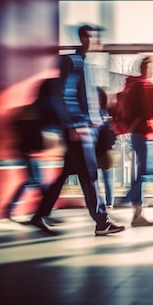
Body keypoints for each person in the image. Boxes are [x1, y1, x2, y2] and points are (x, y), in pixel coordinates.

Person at [28, 24, 125, 236]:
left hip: (86, 129)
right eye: (93, 37)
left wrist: (99, 121)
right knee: (90, 176)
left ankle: (39, 214)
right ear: (83, 38)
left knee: (66, 175)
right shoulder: (71, 61)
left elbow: (84, 99)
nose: (97, 41)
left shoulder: (86, 65)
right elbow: (62, 95)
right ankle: (102, 222)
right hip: (79, 131)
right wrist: (72, 124)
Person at [122, 55, 153, 227]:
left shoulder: (133, 85)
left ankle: (137, 213)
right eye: (152, 67)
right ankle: (131, 202)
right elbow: (150, 111)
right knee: (145, 172)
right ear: (147, 69)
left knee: (143, 171)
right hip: (147, 134)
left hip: (137, 134)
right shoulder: (145, 86)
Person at [96, 87, 115, 208]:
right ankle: (107, 203)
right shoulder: (107, 113)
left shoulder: (100, 113)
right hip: (104, 149)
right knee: (106, 178)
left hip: (101, 149)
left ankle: (106, 203)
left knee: (103, 179)